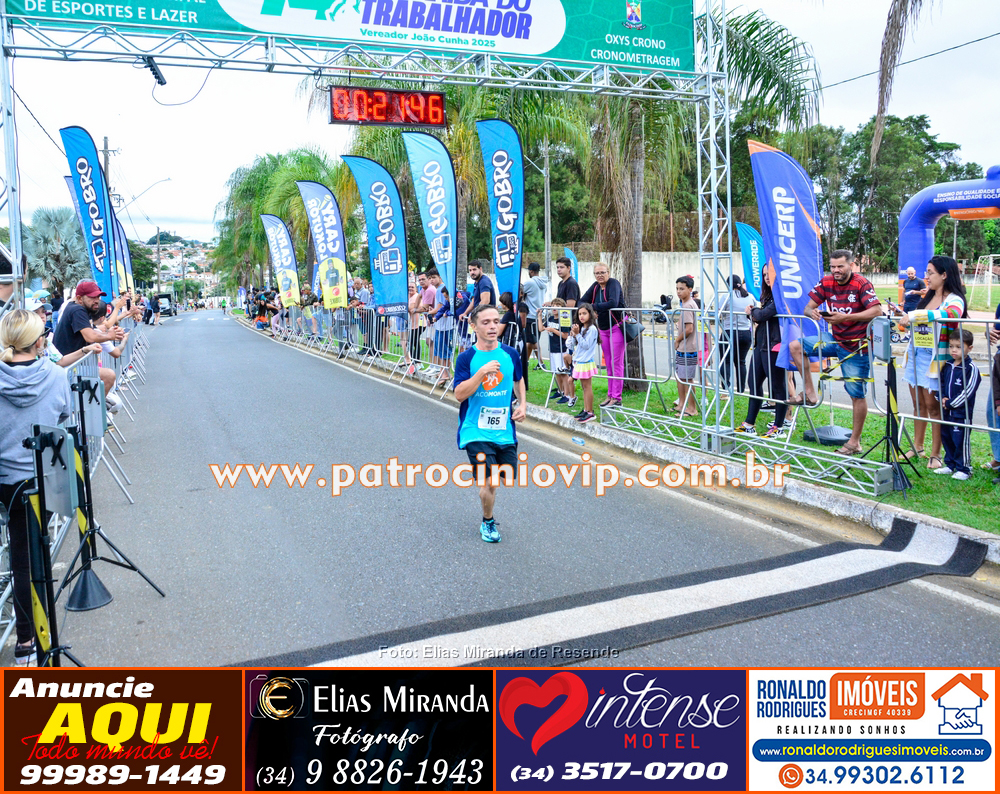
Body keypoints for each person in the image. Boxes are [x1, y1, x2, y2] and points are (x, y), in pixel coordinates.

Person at [0, 309, 74, 666]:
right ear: (39, 339)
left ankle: (27, 639)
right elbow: (62, 417)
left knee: (19, 558)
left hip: (5, 481)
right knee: (32, 558)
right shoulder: (56, 376)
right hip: (40, 477)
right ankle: (33, 639)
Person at [788, 250, 881, 456]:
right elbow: (807, 308)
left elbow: (877, 311)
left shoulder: (861, 283)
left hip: (857, 346)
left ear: (851, 265)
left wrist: (845, 318)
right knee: (795, 346)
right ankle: (810, 393)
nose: (836, 270)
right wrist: (812, 312)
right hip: (835, 340)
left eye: (840, 266)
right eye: (833, 266)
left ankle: (854, 443)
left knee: (856, 394)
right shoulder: (827, 281)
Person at [453, 304, 526, 544]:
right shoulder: (466, 358)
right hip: (475, 430)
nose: (493, 326)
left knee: (501, 479)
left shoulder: (510, 354)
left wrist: (522, 404)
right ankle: (488, 521)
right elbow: (459, 394)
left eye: (496, 321)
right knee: (490, 480)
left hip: (504, 431)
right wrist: (481, 373)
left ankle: (488, 512)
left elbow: (518, 379)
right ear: (474, 326)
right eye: (486, 322)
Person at [895, 255, 967, 469]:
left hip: (936, 358)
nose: (926, 277)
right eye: (926, 272)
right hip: (916, 354)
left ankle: (936, 454)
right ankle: (917, 447)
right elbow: (920, 320)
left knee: (933, 407)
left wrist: (916, 315)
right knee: (918, 404)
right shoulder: (927, 297)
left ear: (944, 275)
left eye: (930, 273)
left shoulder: (954, 299)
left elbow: (951, 313)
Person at [736, 266, 788, 438]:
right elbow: (760, 315)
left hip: (775, 345)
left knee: (778, 386)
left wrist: (753, 311)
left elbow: (763, 315)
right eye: (764, 274)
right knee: (753, 382)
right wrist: (754, 313)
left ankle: (779, 427)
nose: (766, 277)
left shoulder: (781, 295)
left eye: (770, 274)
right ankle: (749, 424)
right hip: (761, 344)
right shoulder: (767, 295)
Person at [936, 329, 981, 480]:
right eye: (951, 346)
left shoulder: (971, 368)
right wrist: (941, 398)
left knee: (960, 440)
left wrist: (950, 403)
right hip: (946, 412)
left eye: (959, 347)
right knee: (947, 437)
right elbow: (941, 383)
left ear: (970, 348)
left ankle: (964, 468)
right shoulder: (948, 364)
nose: (954, 350)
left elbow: (968, 391)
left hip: (961, 414)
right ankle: (950, 465)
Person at [581, 263, 625, 408]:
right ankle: (610, 395)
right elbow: (581, 301)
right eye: (597, 273)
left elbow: (613, 302)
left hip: (617, 327)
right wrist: (591, 309)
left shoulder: (613, 283)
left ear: (608, 272)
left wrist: (593, 307)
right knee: (609, 364)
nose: (600, 275)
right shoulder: (595, 287)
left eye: (602, 272)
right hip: (603, 329)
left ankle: (616, 397)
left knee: (616, 363)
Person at [719, 274, 754, 393]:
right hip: (746, 332)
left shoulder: (727, 296)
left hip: (729, 331)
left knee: (726, 361)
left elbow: (719, 312)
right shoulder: (749, 296)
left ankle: (726, 388)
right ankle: (741, 389)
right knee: (741, 362)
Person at [567, 303, 599, 423]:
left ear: (590, 314)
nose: (582, 316)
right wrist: (573, 335)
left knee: (587, 387)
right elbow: (572, 345)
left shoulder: (592, 329)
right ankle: (586, 409)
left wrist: (577, 334)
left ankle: (590, 412)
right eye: (580, 314)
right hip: (580, 361)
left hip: (586, 362)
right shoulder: (582, 329)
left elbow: (586, 345)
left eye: (584, 313)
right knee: (584, 387)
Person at [673, 275, 700, 417]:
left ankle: (692, 408)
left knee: (687, 379)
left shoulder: (689, 305)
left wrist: (678, 340)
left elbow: (689, 329)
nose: (678, 291)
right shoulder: (686, 304)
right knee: (680, 376)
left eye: (682, 289)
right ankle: (682, 404)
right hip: (684, 348)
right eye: (677, 288)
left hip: (688, 348)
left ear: (690, 289)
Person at [543, 298, 574, 406]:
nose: (554, 307)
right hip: (553, 349)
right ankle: (560, 391)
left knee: (563, 372)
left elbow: (565, 335)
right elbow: (541, 328)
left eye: (558, 305)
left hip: (561, 349)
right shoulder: (550, 318)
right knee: (557, 372)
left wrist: (553, 330)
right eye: (553, 305)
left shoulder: (564, 319)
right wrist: (539, 316)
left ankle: (567, 394)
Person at [521, 262, 548, 370]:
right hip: (540, 315)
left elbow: (520, 292)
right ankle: (525, 362)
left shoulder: (530, 282)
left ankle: (541, 363)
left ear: (531, 271)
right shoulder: (543, 283)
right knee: (530, 341)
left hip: (531, 315)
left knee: (533, 341)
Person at [431, 285, 455, 384]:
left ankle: (447, 373)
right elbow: (443, 308)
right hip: (440, 328)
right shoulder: (448, 301)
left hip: (447, 328)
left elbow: (455, 310)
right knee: (440, 350)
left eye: (446, 297)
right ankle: (442, 370)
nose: (445, 299)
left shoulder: (456, 300)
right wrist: (436, 317)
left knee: (445, 351)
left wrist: (447, 313)